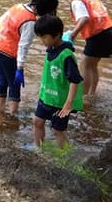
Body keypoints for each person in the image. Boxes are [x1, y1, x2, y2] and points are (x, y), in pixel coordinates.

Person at [0, 0, 59, 115]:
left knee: (2, 80)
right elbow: (23, 46)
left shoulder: (18, 6)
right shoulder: (31, 21)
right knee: (14, 85)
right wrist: (19, 68)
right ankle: (12, 115)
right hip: (7, 53)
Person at [54, 0, 112, 97]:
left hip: (99, 35)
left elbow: (84, 18)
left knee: (85, 64)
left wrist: (72, 35)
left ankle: (83, 96)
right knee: (93, 65)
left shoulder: (76, 1)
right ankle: (92, 93)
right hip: (109, 30)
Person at [32, 15, 84, 149]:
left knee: (58, 130)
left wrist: (69, 103)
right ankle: (37, 148)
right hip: (46, 97)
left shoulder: (66, 56)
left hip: (60, 102)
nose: (42, 41)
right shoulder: (50, 49)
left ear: (57, 35)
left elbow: (75, 80)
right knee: (37, 122)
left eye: (44, 37)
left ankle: (62, 155)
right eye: (40, 37)